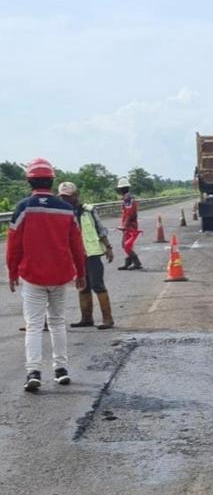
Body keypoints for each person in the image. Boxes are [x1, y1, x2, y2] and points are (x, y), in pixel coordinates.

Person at [6, 158, 86, 391]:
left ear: (29, 181)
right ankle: (61, 370)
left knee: (33, 325)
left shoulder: (23, 207)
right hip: (61, 275)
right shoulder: (66, 209)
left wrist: (12, 272)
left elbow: (14, 245)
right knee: (58, 323)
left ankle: (34, 372)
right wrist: (80, 272)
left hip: (32, 277)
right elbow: (76, 245)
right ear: (52, 181)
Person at [58, 182, 116, 329]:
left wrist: (108, 247)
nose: (65, 200)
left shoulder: (88, 210)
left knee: (97, 284)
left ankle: (108, 319)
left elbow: (100, 229)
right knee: (82, 286)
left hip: (92, 253)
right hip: (76, 255)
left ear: (76, 196)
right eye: (63, 197)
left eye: (68, 197)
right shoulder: (62, 213)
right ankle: (86, 318)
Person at [116, 176, 142, 270]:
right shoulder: (129, 197)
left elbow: (129, 213)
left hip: (130, 226)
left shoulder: (127, 198)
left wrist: (124, 226)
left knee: (125, 244)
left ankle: (136, 262)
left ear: (121, 188)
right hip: (130, 225)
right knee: (127, 245)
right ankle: (129, 262)